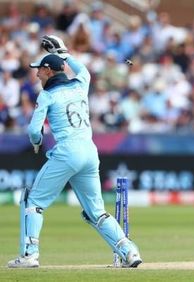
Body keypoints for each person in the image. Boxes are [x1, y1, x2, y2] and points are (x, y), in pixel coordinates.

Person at [7, 35, 142, 268]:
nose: (37, 74)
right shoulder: (81, 85)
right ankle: (129, 252)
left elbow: (33, 130)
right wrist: (64, 52)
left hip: (67, 152)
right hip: (90, 152)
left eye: (39, 69)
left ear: (49, 71)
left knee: (33, 200)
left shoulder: (47, 95)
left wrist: (37, 142)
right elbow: (85, 71)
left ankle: (30, 254)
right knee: (96, 211)